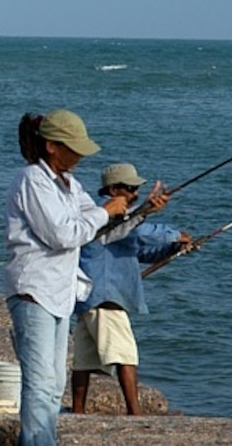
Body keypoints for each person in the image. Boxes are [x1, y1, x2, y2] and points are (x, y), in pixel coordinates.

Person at [5, 109, 157, 446]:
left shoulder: (70, 185)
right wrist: (106, 210)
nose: (79, 155)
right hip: (34, 293)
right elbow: (62, 234)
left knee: (54, 382)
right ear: (51, 146)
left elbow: (97, 228)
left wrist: (140, 211)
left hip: (59, 296)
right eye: (73, 147)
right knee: (41, 382)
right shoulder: (31, 180)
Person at [72, 163, 190, 416]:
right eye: (130, 188)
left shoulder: (122, 219)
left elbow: (139, 250)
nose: (135, 193)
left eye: (137, 188)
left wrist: (173, 249)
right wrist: (174, 234)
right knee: (126, 356)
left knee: (84, 359)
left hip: (89, 300)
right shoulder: (105, 214)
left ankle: (78, 412)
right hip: (106, 297)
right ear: (113, 189)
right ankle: (134, 414)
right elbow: (139, 233)